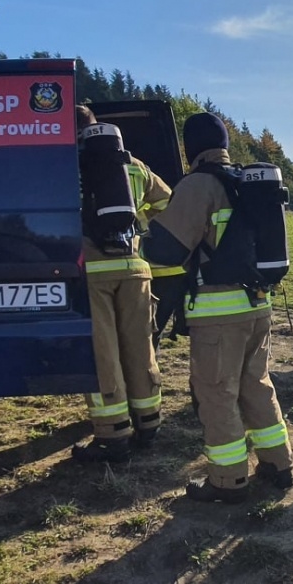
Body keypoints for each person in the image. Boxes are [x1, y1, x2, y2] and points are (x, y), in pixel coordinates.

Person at [145, 112, 293, 502]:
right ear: (225, 146)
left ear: (190, 149)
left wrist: (142, 232)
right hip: (257, 306)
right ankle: (279, 465)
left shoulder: (198, 185)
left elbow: (165, 250)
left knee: (216, 393)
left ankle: (228, 482)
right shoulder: (245, 183)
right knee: (257, 386)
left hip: (218, 315)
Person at [71, 105, 174, 464]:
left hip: (93, 272)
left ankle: (113, 435)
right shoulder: (133, 166)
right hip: (135, 268)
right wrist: (138, 223)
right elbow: (167, 201)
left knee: (104, 354)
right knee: (139, 346)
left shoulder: (68, 167)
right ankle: (149, 422)